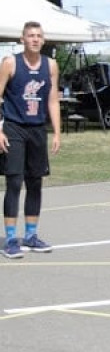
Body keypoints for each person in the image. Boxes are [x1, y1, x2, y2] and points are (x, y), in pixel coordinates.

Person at [0, 21, 61, 259]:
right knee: (15, 182)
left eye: (38, 35)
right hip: (14, 128)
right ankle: (11, 239)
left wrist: (56, 132)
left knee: (35, 183)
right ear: (22, 40)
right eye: (30, 36)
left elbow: (53, 100)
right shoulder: (10, 63)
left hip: (37, 130)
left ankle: (32, 235)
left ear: (43, 40)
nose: (35, 39)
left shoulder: (51, 65)